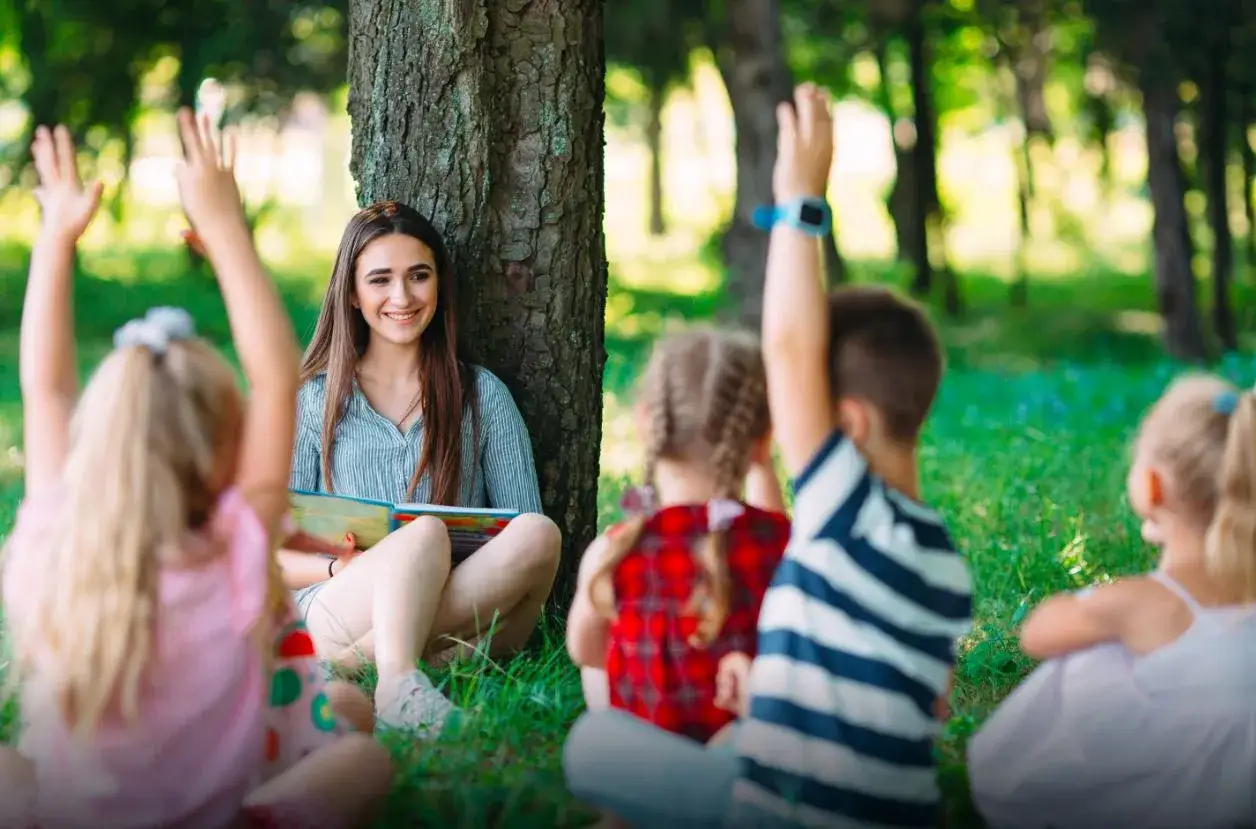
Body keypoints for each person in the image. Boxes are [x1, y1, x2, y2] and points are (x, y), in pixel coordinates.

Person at [563, 83, 973, 829]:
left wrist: (800, 202)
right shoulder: (941, 560)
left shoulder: (842, 513)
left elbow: (787, 345)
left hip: (775, 810)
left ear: (845, 424)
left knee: (592, 744)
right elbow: (925, 701)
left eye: (801, 410)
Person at [0, 112, 393, 829]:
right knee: (364, 756)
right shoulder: (235, 552)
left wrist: (56, 234)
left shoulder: (53, 549)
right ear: (225, 449)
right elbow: (277, 379)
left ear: (104, 437)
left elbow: (46, 389)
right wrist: (224, 228)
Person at [280, 200, 562, 734]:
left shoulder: (481, 395)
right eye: (380, 280)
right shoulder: (311, 402)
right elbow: (272, 555)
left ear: (439, 285)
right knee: (421, 534)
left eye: (418, 276)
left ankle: (370, 663)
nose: (402, 297)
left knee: (540, 534)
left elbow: (521, 542)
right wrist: (349, 568)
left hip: (456, 592)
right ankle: (399, 680)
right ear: (353, 295)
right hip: (335, 600)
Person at [967, 374, 1256, 829]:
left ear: (1152, 486)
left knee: (1094, 651)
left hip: (1163, 800)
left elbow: (1036, 635)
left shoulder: (1146, 601)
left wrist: (1085, 603)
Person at [565, 328, 790, 746]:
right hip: (754, 760)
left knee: (591, 732)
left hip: (650, 766)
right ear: (762, 441)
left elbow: (586, 652)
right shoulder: (781, 545)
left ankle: (629, 809)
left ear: (648, 423)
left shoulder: (616, 549)